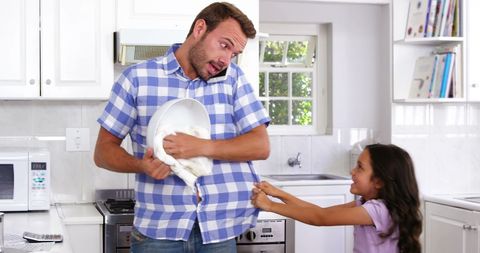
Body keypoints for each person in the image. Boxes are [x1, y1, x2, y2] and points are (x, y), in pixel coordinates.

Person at [94, 2, 270, 253]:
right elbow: (102, 152)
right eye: (224, 45)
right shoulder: (137, 79)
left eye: (233, 53)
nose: (226, 59)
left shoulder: (234, 80)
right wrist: (141, 165)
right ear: (200, 29)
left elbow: (261, 146)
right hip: (159, 231)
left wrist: (200, 147)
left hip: (219, 231)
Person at [251, 144, 422, 253]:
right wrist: (279, 194)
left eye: (360, 167)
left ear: (378, 181)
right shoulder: (366, 205)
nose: (352, 171)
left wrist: (271, 206)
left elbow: (320, 218)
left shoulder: (377, 211)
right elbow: (319, 212)